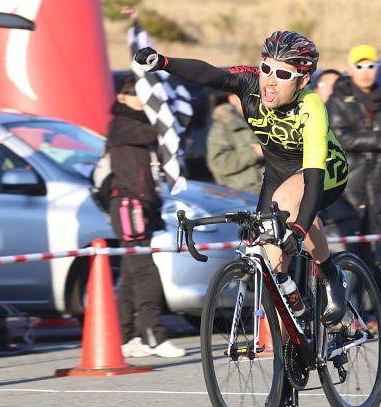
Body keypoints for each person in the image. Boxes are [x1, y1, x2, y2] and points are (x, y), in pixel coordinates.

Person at [134, 31, 349, 331]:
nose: (269, 81)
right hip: (277, 173)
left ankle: (330, 273)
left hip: (323, 173)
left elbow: (312, 182)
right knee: (269, 270)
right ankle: (295, 349)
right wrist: (165, 62)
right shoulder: (249, 82)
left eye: (283, 74)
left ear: (303, 81)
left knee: (289, 203)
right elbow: (211, 75)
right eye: (266, 68)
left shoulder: (312, 107)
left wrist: (299, 231)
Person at [325, 44, 381, 312]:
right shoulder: (338, 98)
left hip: (377, 186)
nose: (366, 73)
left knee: (372, 254)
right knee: (348, 254)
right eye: (360, 67)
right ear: (350, 70)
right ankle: (343, 317)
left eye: (371, 66)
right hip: (347, 186)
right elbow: (338, 136)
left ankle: (362, 316)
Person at [107, 73, 185, 359]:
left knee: (130, 273)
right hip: (129, 206)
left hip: (144, 205)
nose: (139, 98)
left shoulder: (139, 125)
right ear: (121, 97)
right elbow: (152, 133)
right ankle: (154, 336)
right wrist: (163, 112)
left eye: (142, 93)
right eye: (132, 93)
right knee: (145, 271)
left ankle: (126, 337)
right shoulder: (120, 125)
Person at [205, 93, 265, 194]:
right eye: (247, 95)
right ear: (232, 99)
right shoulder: (221, 126)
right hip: (240, 195)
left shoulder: (270, 120)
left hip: (272, 191)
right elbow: (218, 163)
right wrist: (255, 152)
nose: (254, 99)